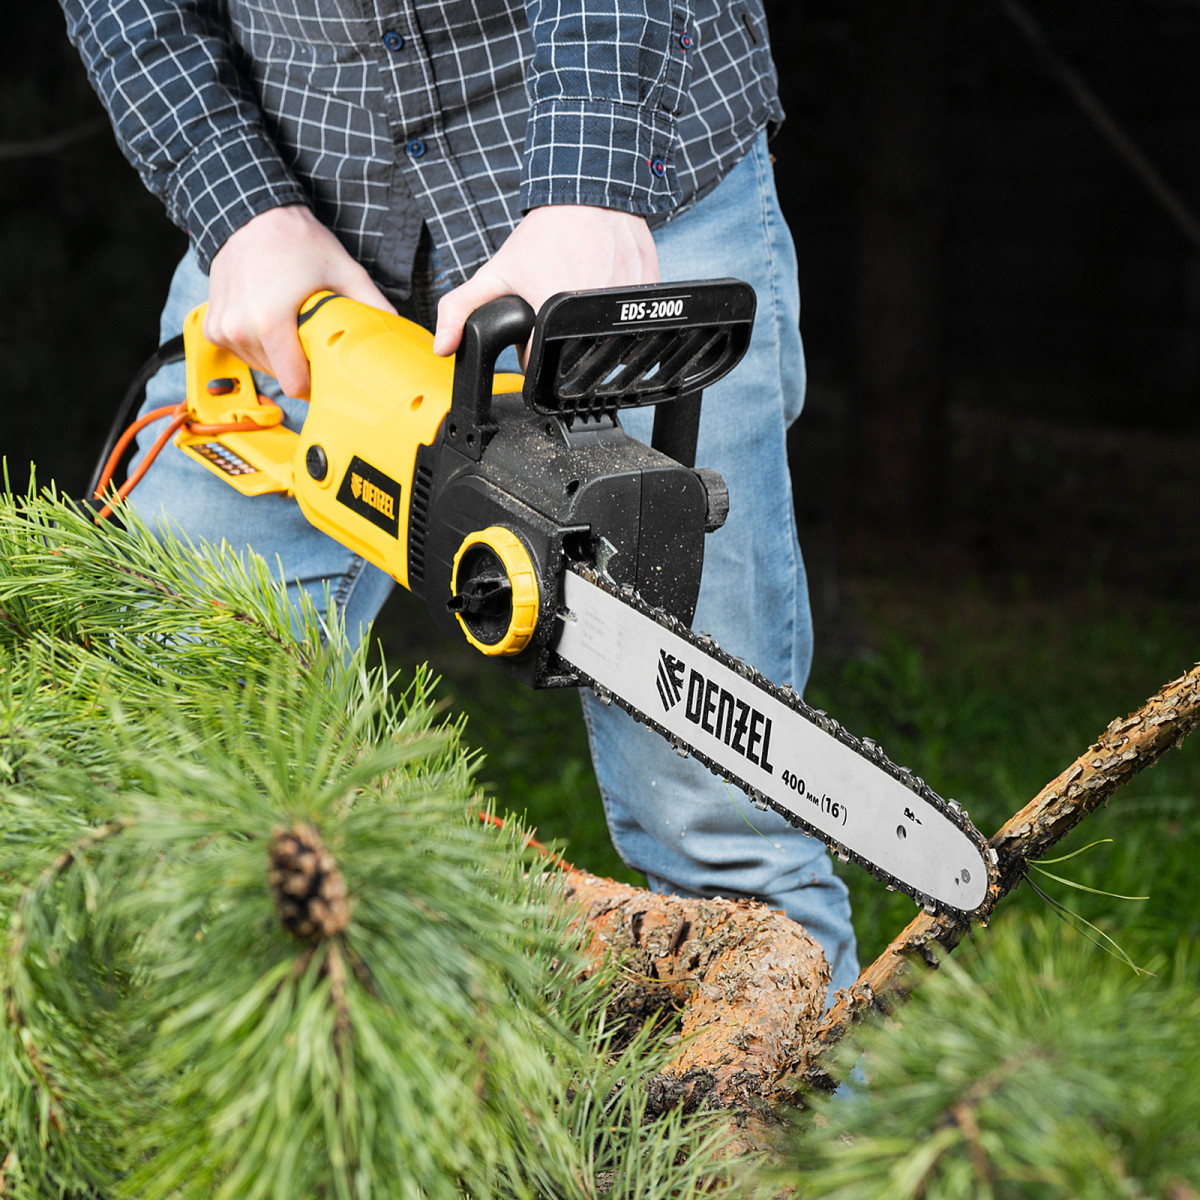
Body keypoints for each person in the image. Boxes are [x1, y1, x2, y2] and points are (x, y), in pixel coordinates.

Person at [59, 0, 858, 997]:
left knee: (729, 846)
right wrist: (238, 206)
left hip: (627, 210)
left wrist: (588, 183)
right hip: (295, 242)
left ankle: (776, 1090)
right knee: (158, 777)